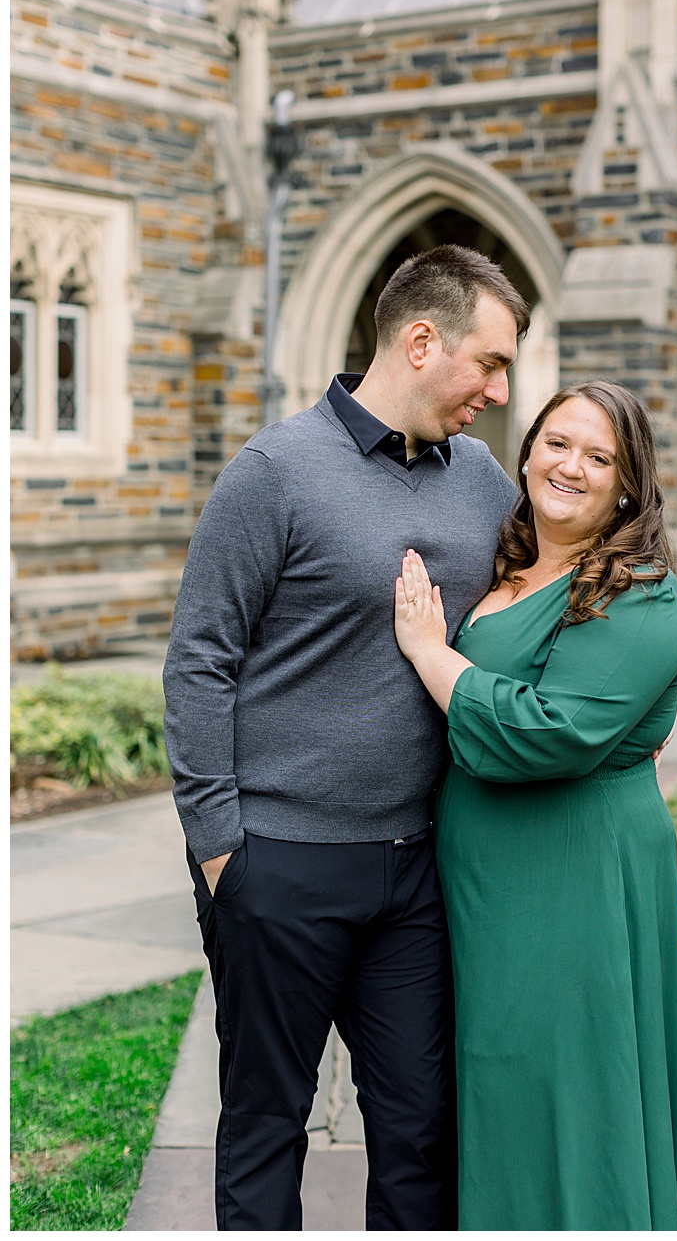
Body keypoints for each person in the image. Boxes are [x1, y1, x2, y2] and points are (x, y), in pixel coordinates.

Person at [163, 244, 527, 1228]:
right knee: (265, 1125)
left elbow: (557, 588)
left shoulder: (482, 477)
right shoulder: (274, 472)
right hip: (277, 863)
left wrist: (623, 705)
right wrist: (222, 849)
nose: (499, 392)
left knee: (421, 1131)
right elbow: (199, 662)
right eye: (490, 363)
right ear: (422, 341)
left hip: (417, 871)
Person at [391, 380, 677, 1230]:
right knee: (497, 1085)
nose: (570, 466)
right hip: (484, 883)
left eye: (599, 457)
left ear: (628, 486)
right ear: (528, 449)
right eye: (558, 443)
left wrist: (429, 651)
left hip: (572, 881)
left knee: (567, 1090)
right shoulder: (508, 563)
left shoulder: (641, 592)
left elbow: (547, 735)